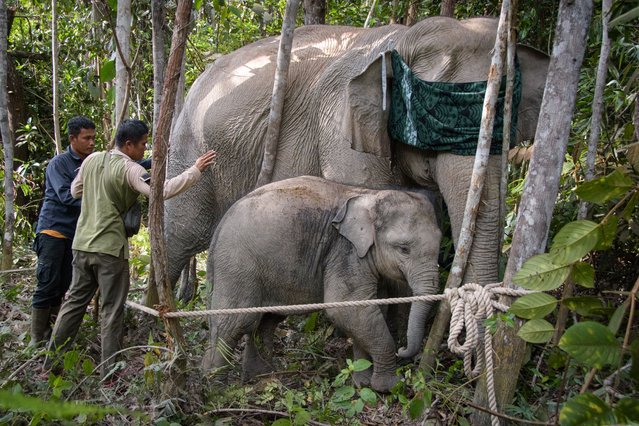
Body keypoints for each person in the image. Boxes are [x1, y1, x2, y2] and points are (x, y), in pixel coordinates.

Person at [47, 119, 217, 378]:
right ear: (128, 145)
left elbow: (75, 190)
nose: (144, 150)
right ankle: (109, 374)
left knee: (73, 304)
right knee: (112, 311)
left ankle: (50, 363)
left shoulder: (91, 160)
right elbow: (163, 191)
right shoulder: (130, 170)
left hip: (81, 245)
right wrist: (195, 170)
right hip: (110, 250)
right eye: (143, 145)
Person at [31, 116, 96, 346]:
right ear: (72, 139)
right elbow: (66, 197)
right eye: (86, 138)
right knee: (47, 284)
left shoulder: (92, 163)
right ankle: (36, 338)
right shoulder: (59, 164)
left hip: (75, 236)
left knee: (65, 285)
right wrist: (98, 202)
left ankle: (53, 335)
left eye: (93, 138)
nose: (91, 143)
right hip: (53, 231)